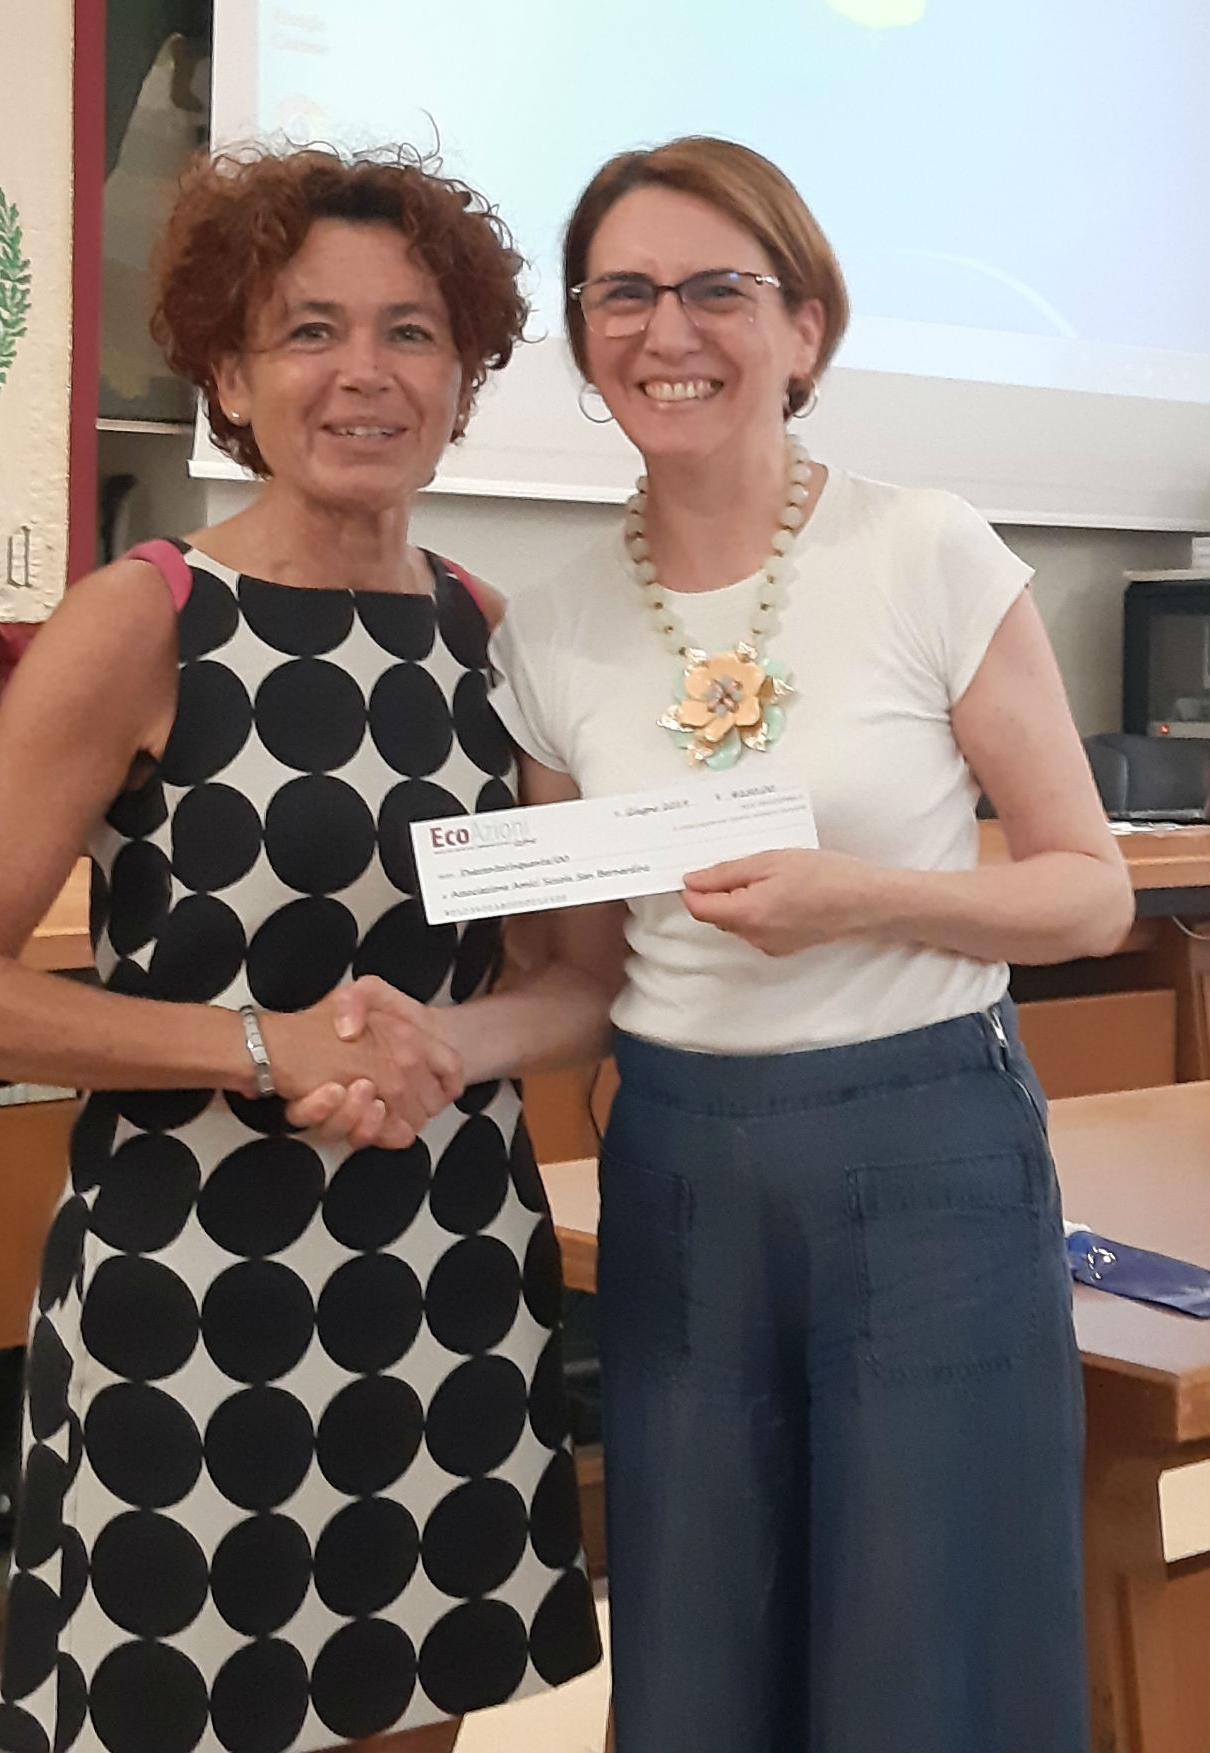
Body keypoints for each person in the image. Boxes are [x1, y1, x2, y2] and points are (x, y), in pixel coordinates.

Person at [317, 135, 1133, 1753]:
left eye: (716, 289)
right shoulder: (548, 625)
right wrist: (435, 1039)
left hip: (928, 1146)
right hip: (684, 1164)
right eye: (623, 293)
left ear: (804, 325)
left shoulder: (927, 550)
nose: (666, 330)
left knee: (928, 1632)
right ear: (583, 333)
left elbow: (1089, 894)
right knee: (701, 1626)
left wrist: (862, 896)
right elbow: (575, 975)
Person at [0, 145, 603, 1753]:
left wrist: (443, 1045)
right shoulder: (147, 617)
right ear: (228, 374)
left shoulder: (491, 633)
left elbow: (575, 981)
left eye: (411, 332)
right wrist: (266, 1047)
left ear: (464, 373)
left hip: (446, 1263)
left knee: (414, 1696)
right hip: (197, 1274)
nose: (364, 373)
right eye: (308, 330)